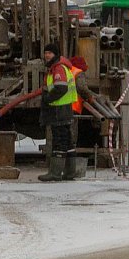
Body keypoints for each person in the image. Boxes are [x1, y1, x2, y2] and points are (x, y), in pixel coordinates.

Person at [39, 43, 79, 182]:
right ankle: (70, 172)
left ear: (55, 55)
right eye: (45, 53)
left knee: (59, 140)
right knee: (67, 141)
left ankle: (55, 173)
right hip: (64, 108)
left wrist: (48, 99)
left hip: (58, 109)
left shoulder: (58, 68)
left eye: (49, 53)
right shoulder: (58, 67)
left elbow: (61, 88)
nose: (47, 55)